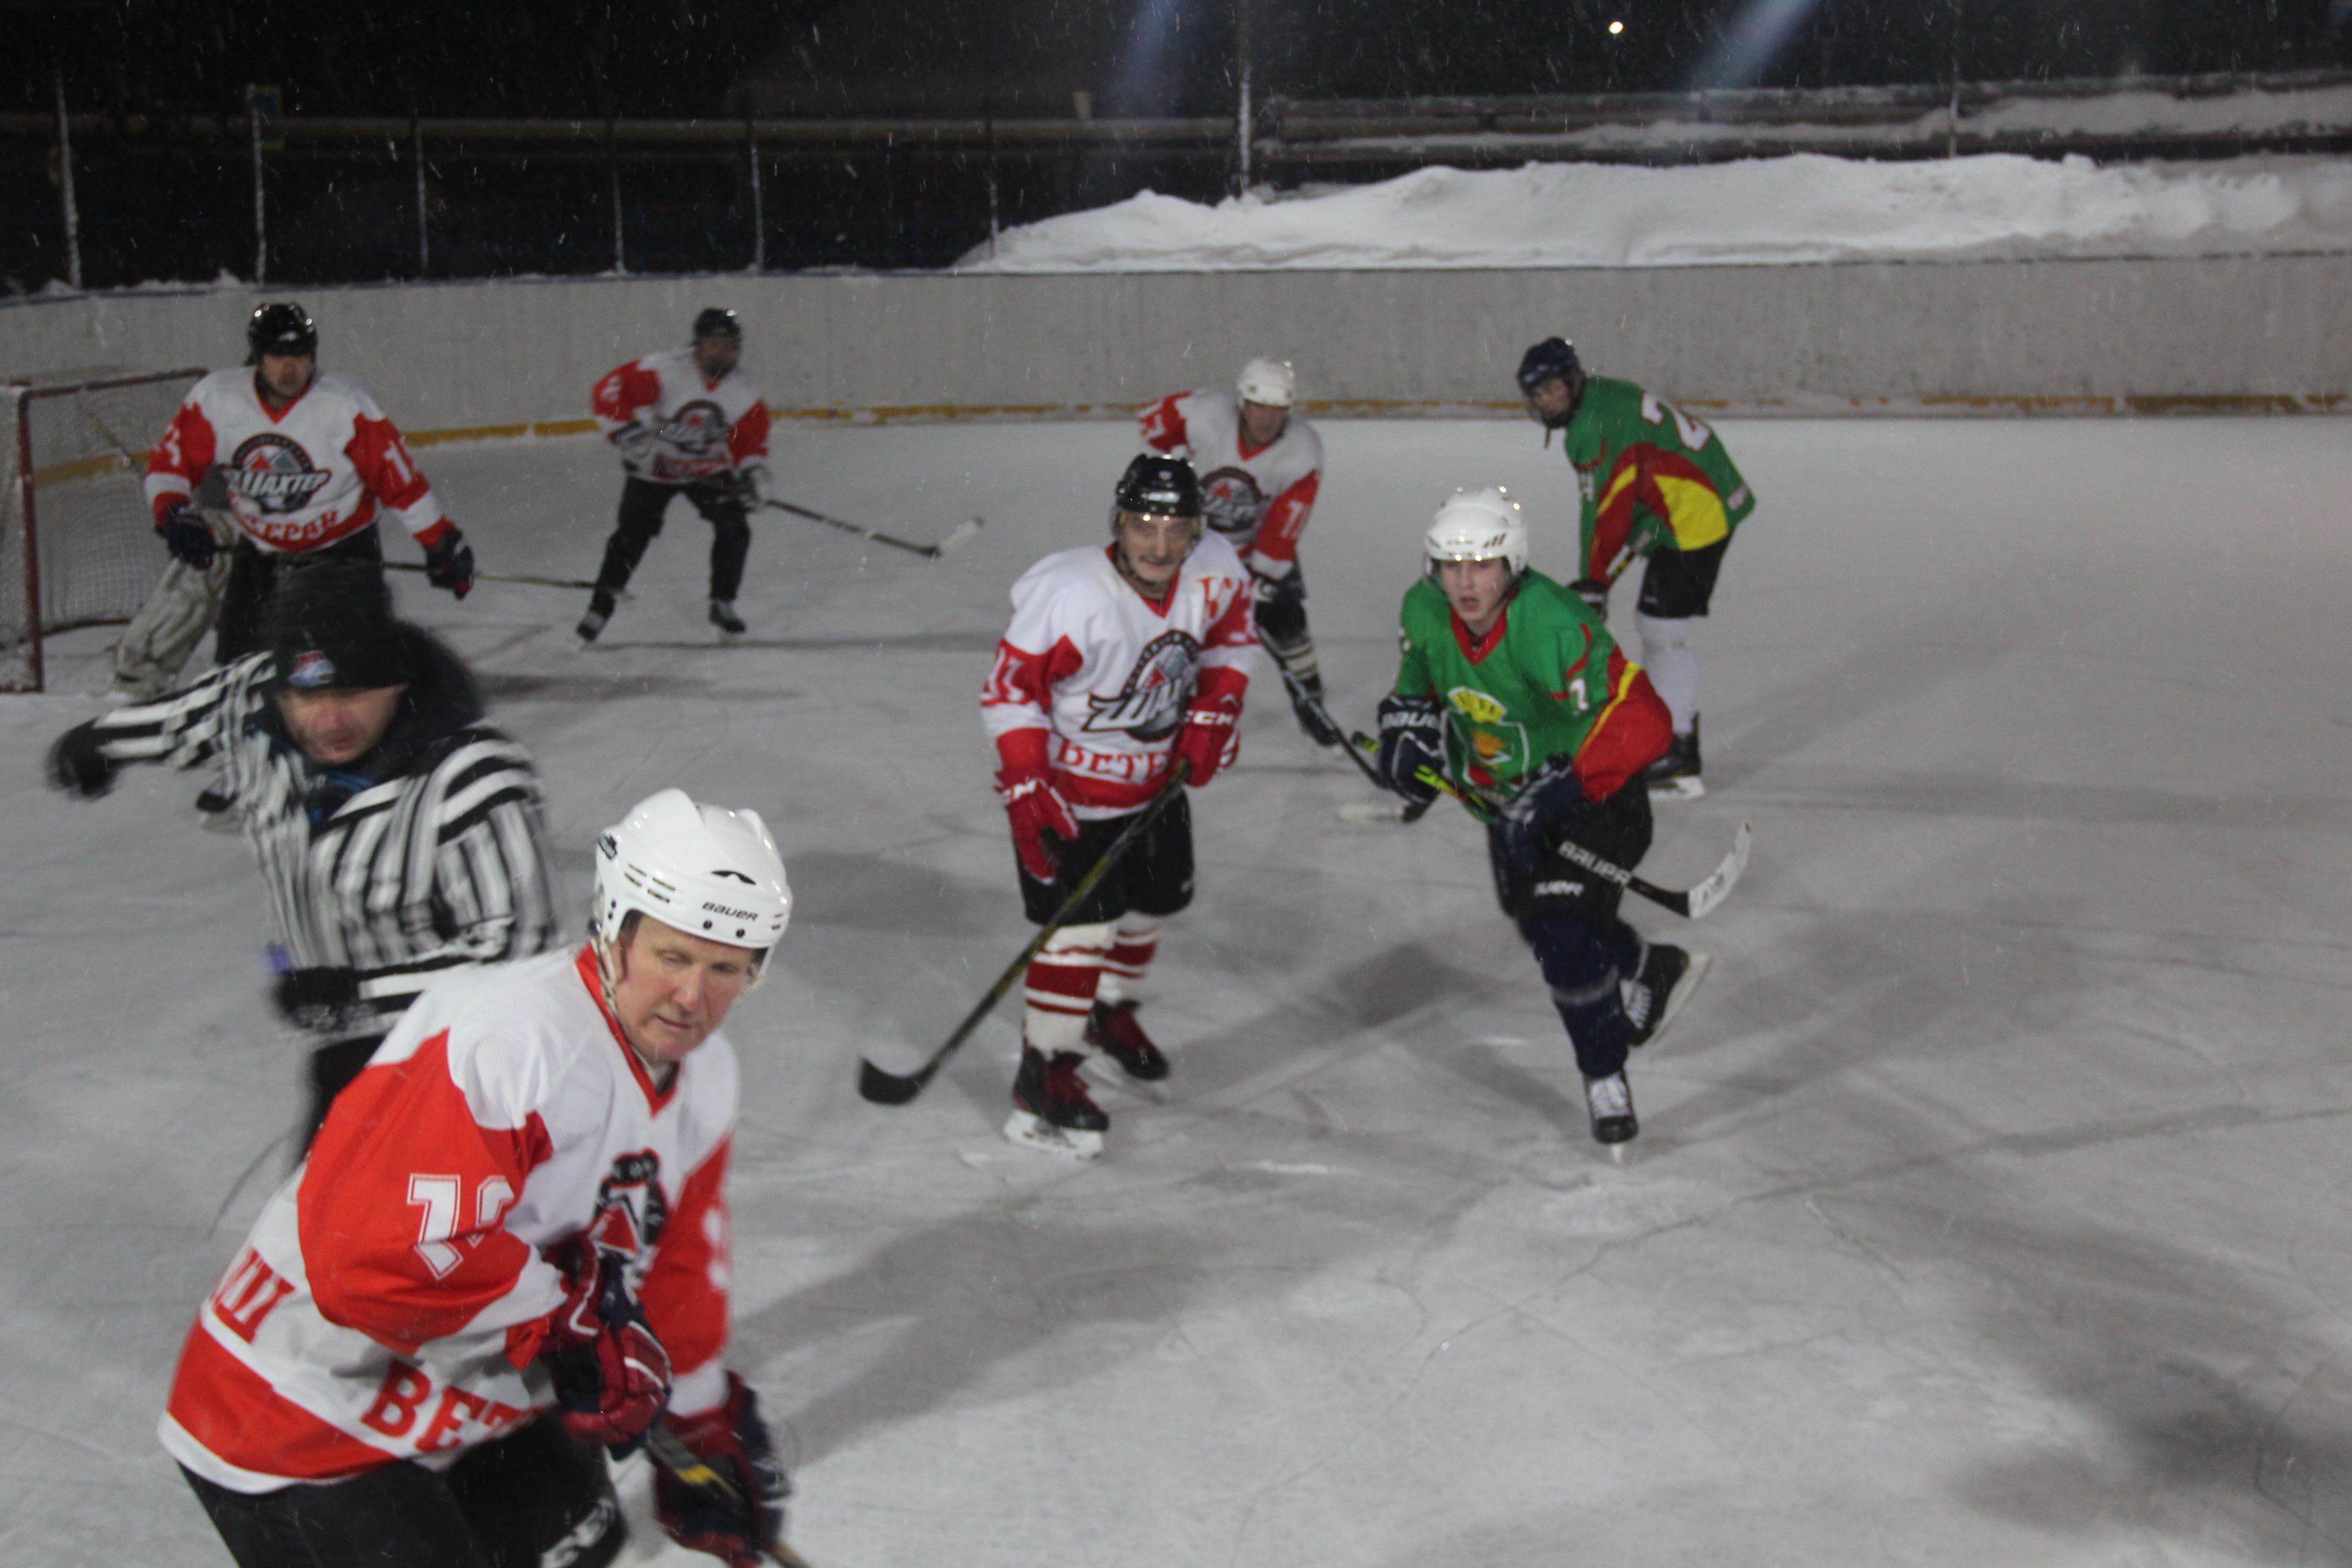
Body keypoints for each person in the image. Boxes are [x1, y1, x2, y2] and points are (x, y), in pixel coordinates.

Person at [157, 788, 796, 1568]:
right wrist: (564, 1319)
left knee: (582, 1548)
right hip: (301, 1402)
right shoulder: (510, 1040)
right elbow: (371, 1263)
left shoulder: (706, 1078)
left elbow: (676, 1259)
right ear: (614, 932)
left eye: (726, 968)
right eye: (673, 956)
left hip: (475, 1391)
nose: (694, 997)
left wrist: (695, 1422)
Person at [47, 562, 556, 1153]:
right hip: (342, 1056)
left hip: (459, 1063)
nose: (328, 719)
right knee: (309, 1232)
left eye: (351, 694)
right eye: (307, 696)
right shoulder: (256, 705)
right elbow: (190, 716)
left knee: (412, 1233)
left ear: (397, 684)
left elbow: (522, 955)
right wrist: (102, 741)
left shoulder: (471, 779)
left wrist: (359, 992)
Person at [1375, 487, 1711, 1149]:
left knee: (1561, 938)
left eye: (1482, 565)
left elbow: (1647, 719)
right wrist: (1405, 732)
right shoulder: (1424, 609)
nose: (1465, 582)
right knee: (1554, 929)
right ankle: (1652, 965)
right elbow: (1417, 682)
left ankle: (1604, 1074)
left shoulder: (1553, 624)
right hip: (1506, 807)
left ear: (1513, 566)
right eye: (1450, 565)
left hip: (1599, 800)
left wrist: (1566, 786)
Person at [979, 453, 1257, 1158]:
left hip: (1154, 786)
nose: (1159, 545)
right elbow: (1013, 691)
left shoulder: (1216, 570)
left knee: (1153, 905)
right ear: (1119, 522)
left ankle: (1109, 1013)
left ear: (1197, 529)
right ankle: (1045, 1074)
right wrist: (1025, 781)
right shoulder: (1072, 593)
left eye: (1175, 528)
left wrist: (1217, 706)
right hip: (1072, 795)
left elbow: (1231, 636)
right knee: (1079, 935)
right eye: (1143, 524)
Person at [144, 301, 476, 672]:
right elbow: (169, 464)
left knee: (355, 673)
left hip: (343, 551)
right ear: (257, 356)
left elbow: (400, 484)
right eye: (277, 355)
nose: (290, 368)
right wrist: (174, 513)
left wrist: (440, 542)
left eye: (300, 356)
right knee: (240, 669)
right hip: (260, 550)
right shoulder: (217, 400)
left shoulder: (345, 405)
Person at [1515, 336, 1757, 799]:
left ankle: (1676, 751)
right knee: (1658, 625)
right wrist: (1597, 578)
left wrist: (1593, 579)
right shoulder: (1601, 398)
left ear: (1573, 380)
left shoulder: (1592, 428)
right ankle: (1674, 742)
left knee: (1662, 629)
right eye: (1537, 393)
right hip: (1699, 489)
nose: (1545, 401)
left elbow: (1605, 510)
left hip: (1698, 508)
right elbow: (1627, 481)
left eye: (1552, 389)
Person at [1138, 356, 1335, 745]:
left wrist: (1262, 577)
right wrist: (1169, 469)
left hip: (1258, 545)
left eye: (1277, 409)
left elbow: (1285, 525)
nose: (1266, 419)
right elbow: (1151, 423)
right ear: (1242, 403)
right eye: (1258, 406)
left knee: (1288, 626)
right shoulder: (1206, 415)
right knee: (1180, 626)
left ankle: (1311, 705)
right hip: (1198, 548)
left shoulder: (1302, 453)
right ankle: (1168, 704)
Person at [578, 308, 773, 642]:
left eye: (730, 346)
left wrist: (751, 470)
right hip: (655, 466)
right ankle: (600, 607)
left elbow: (749, 437)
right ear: (698, 345)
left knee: (734, 527)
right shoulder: (666, 370)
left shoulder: (744, 388)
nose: (723, 353)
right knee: (632, 536)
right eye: (715, 344)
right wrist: (627, 433)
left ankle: (722, 602)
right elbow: (609, 390)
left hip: (708, 469)